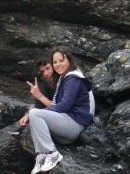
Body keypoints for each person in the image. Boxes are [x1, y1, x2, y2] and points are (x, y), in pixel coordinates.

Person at [27, 46, 94, 174]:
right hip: (66, 129)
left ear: (69, 60)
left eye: (61, 60)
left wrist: (41, 110)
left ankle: (52, 153)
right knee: (34, 115)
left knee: (35, 114)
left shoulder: (73, 78)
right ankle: (41, 155)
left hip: (75, 125)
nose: (58, 65)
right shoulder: (63, 79)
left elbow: (64, 106)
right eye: (55, 62)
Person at [19, 58, 55, 126]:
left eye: (47, 68)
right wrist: (28, 115)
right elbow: (40, 104)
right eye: (43, 72)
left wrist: (39, 95)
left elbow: (60, 108)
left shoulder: (66, 81)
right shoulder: (46, 82)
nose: (45, 73)